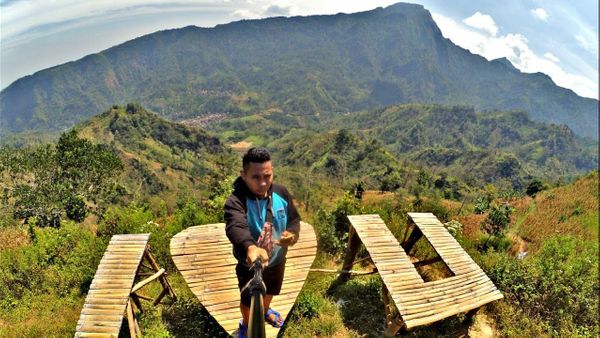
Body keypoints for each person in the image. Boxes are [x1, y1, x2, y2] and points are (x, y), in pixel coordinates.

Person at [224, 147, 300, 337]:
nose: (263, 183)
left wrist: (292, 234)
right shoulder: (236, 201)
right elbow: (235, 225)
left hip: (277, 260)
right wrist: (250, 247)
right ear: (244, 175)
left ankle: (265, 311)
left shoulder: (281, 192)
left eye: (267, 176)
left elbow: (294, 219)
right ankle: (247, 324)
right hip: (249, 265)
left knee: (271, 290)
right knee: (248, 299)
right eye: (256, 177)